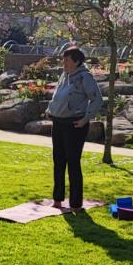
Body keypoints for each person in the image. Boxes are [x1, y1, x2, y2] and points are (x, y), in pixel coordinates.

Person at [44, 47, 102, 211]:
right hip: (58, 123)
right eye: (63, 60)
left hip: (75, 125)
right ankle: (57, 199)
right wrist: (50, 110)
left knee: (73, 163)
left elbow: (97, 100)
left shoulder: (85, 77)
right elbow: (57, 96)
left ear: (76, 61)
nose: (64, 63)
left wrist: (85, 119)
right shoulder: (64, 76)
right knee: (58, 161)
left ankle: (75, 203)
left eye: (67, 60)